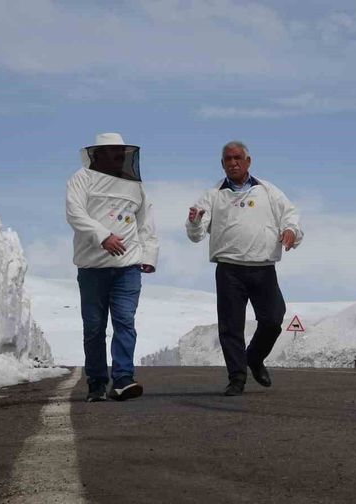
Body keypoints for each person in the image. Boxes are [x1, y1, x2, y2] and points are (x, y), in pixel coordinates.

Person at [186, 140, 303, 396]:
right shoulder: (213, 194)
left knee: (272, 319)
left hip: (263, 267)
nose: (233, 163)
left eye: (238, 158)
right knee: (230, 327)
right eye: (227, 159)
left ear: (248, 161)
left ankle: (254, 357)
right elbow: (196, 234)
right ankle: (236, 378)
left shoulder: (267, 190)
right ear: (222, 164)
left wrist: (291, 231)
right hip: (229, 269)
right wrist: (194, 222)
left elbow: (290, 215)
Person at [66, 132, 159, 402]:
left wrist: (149, 256)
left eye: (122, 152)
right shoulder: (81, 179)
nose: (119, 157)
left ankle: (123, 379)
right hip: (92, 267)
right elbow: (75, 213)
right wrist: (103, 236)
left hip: (127, 267)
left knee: (124, 322)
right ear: (98, 154)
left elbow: (145, 222)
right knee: (94, 327)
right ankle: (96, 382)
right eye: (112, 152)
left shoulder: (135, 186)